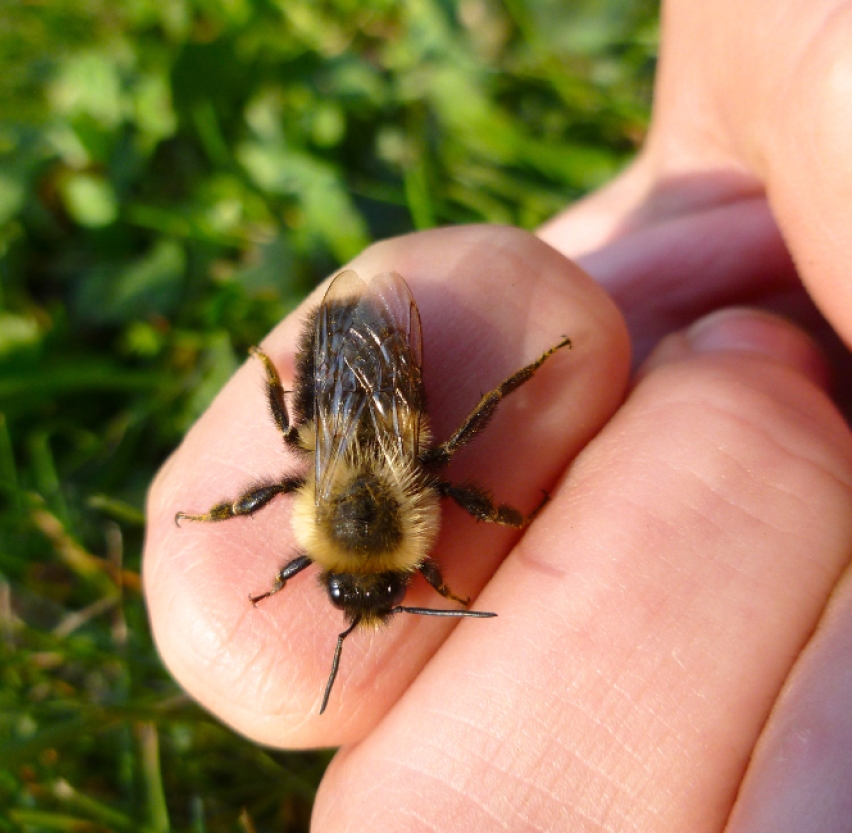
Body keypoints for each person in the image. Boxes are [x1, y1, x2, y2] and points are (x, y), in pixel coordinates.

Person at [144, 0, 852, 829]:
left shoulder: (393, 536)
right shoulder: (345, 519)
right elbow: (320, 488)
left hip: (360, 359)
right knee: (334, 445)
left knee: (397, 451)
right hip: (351, 367)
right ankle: (310, 377)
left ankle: (501, 372)